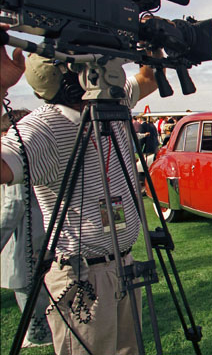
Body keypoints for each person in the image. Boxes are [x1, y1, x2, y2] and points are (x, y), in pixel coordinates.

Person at [1, 48, 159, 354]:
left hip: (124, 263)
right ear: (77, 76)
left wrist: (149, 46)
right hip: (83, 275)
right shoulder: (43, 128)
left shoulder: (109, 101)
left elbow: (147, 80)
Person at [1, 110, 53, 348]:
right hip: (37, 232)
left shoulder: (20, 157)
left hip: (27, 235)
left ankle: (39, 332)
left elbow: (13, 206)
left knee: (25, 282)